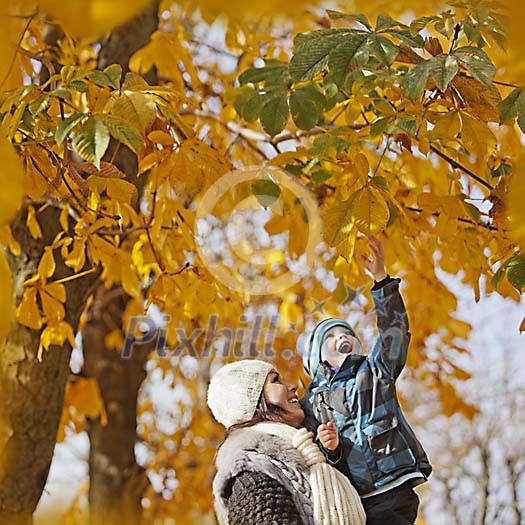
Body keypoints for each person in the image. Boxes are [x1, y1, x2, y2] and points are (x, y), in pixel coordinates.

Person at [298, 235, 432, 525]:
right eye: (330, 337)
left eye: (346, 332)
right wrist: (330, 449)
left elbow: (393, 331)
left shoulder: (375, 370)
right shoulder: (310, 402)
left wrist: (381, 280)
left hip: (394, 485)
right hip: (356, 498)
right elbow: (319, 458)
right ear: (315, 358)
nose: (341, 337)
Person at [207, 359, 366, 525]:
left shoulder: (311, 448)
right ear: (252, 402)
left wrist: (333, 452)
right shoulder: (248, 478)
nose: (291, 386)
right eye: (276, 381)